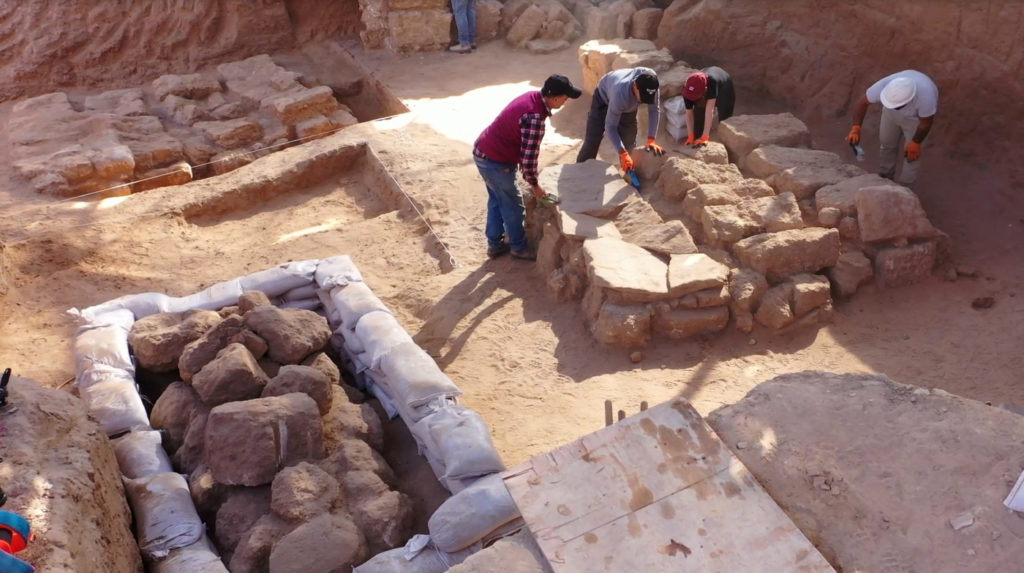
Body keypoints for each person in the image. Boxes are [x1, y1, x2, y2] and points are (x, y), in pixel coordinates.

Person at [473, 74, 582, 260]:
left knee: (497, 199)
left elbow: (525, 153)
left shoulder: (532, 97)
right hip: (495, 161)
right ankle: (518, 247)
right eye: (565, 98)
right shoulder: (534, 118)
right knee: (513, 205)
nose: (565, 101)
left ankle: (495, 244)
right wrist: (535, 186)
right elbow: (529, 156)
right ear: (554, 97)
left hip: (483, 152)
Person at [847, 69, 938, 185]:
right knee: (887, 143)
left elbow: (925, 124)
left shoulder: (926, 97)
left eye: (898, 106)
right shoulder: (884, 86)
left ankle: (905, 186)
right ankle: (885, 177)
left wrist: (916, 142)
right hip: (890, 113)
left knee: (912, 154)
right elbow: (861, 103)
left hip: (915, 120)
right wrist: (856, 128)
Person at [576, 67, 665, 173]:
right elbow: (610, 126)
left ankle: (629, 172)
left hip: (627, 104)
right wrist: (622, 153)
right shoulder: (620, 94)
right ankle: (580, 172)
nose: (644, 101)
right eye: (643, 97)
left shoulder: (652, 83)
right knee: (593, 139)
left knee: (629, 143)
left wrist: (651, 139)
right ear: (635, 86)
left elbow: (654, 110)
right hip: (603, 98)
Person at [681, 66, 735, 146]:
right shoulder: (688, 88)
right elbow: (689, 113)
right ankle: (697, 138)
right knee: (698, 113)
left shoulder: (712, 82)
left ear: (705, 90)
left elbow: (709, 110)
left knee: (724, 119)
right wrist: (690, 135)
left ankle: (725, 145)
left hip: (725, 88)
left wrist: (705, 137)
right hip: (703, 89)